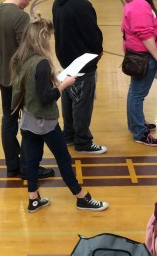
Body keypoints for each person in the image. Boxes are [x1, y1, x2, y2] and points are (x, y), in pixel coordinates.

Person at [10, 17, 109, 213]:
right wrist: (63, 85)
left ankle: (34, 199)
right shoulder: (42, 63)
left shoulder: (23, 58)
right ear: (42, 37)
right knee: (63, 159)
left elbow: (32, 89)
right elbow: (46, 97)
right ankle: (81, 198)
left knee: (33, 159)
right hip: (44, 120)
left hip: (28, 118)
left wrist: (55, 78)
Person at [0, 0, 54, 180]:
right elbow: (28, 50)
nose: (27, 3)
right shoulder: (20, 17)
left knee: (8, 119)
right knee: (28, 121)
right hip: (20, 79)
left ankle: (12, 165)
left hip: (1, 75)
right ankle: (27, 167)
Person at [52, 0, 106, 154]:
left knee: (68, 96)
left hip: (66, 61)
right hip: (83, 62)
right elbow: (93, 36)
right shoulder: (81, 4)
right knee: (83, 101)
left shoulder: (58, 0)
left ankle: (69, 135)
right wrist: (97, 51)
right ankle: (82, 141)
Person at [121, 0, 157, 147]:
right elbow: (145, 35)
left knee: (136, 93)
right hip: (144, 56)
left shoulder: (137, 1)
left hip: (142, 55)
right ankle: (139, 132)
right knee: (137, 94)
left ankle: (136, 124)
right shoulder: (139, 5)